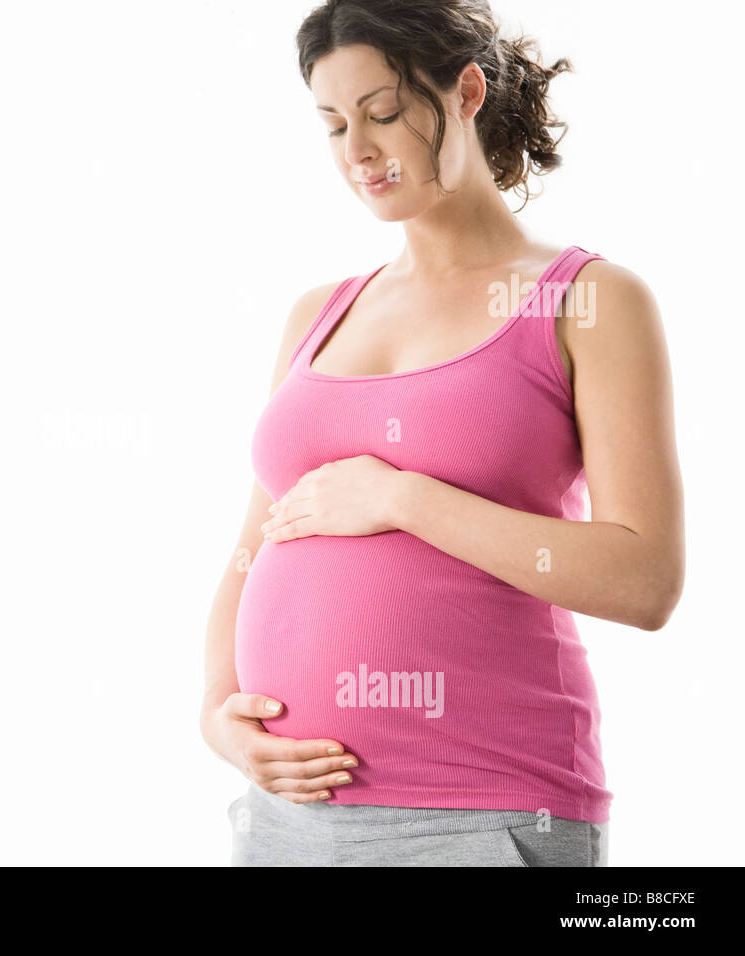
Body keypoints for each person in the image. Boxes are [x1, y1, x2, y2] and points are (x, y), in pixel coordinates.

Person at [199, 0, 684, 866]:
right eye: (334, 124)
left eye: (383, 114)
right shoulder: (320, 312)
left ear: (466, 92)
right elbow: (253, 543)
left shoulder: (586, 301)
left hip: (481, 812)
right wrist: (217, 715)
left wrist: (404, 498)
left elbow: (644, 579)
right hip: (284, 815)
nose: (357, 151)